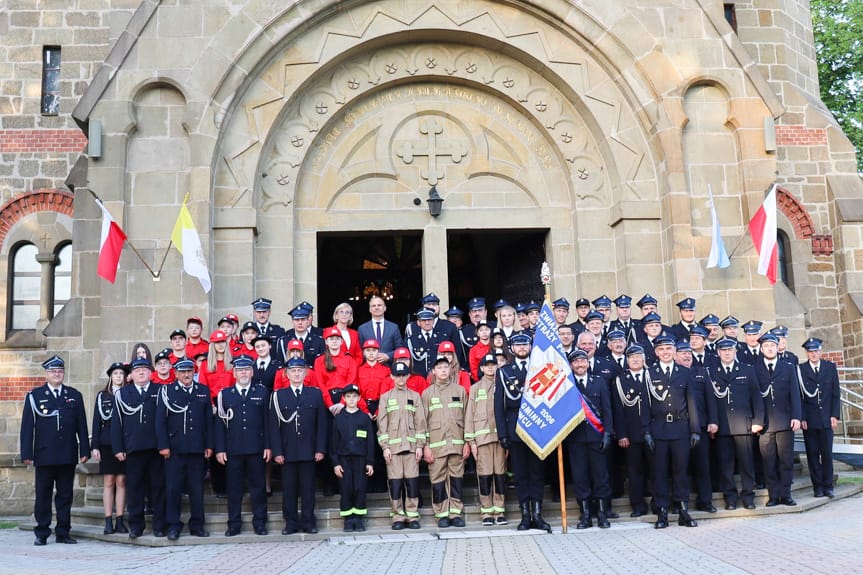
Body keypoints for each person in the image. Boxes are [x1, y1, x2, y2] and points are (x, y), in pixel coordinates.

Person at [20, 355, 89, 546]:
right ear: (46, 374)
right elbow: (27, 427)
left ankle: (63, 532)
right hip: (44, 454)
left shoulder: (74, 395)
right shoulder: (35, 396)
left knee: (65, 495)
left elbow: (81, 426)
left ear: (63, 373)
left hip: (67, 454)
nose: (57, 374)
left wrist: (85, 449)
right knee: (43, 495)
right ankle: (42, 532)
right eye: (53, 371)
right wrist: (26, 453)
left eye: (59, 371)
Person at [494, 333, 551, 533]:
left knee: (537, 473)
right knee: (521, 475)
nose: (521, 347)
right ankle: (525, 515)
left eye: (525, 344)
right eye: (517, 344)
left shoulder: (540, 370)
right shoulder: (504, 372)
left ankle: (538, 514)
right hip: (515, 429)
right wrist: (502, 434)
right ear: (511, 347)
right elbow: (499, 407)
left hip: (537, 429)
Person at [644, 335, 700, 529]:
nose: (666, 352)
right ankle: (662, 512)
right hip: (658, 430)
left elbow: (691, 402)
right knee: (659, 473)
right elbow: (645, 405)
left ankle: (683, 510)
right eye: (662, 349)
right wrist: (646, 432)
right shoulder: (649, 374)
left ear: (674, 351)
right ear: (656, 352)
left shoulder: (684, 372)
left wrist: (695, 430)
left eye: (669, 349)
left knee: (680, 472)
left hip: (680, 430)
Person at [156, 358, 213, 540]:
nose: (187, 375)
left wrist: (209, 445)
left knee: (197, 489)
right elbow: (160, 421)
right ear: (177, 373)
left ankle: (197, 525)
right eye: (183, 372)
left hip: (197, 449)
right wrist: (163, 445)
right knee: (173, 489)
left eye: (189, 371)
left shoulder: (202, 391)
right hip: (174, 449)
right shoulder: (167, 392)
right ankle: (173, 525)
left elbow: (208, 423)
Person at [215, 355, 271, 536]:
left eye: (247, 369)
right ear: (234, 373)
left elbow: (267, 422)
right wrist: (220, 448)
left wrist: (268, 446)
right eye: (240, 370)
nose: (244, 373)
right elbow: (220, 425)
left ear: (252, 372)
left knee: (258, 488)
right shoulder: (225, 395)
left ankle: (260, 522)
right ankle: (233, 524)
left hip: (256, 448)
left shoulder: (262, 392)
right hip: (233, 449)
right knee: (234, 489)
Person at [270, 357, 327, 534]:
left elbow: (321, 424)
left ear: (305, 373)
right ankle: (291, 523)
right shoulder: (278, 396)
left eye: (299, 370)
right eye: (293, 371)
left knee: (308, 489)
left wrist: (320, 448)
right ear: (286, 374)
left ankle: (309, 522)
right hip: (287, 451)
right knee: (289, 490)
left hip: (309, 451)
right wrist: (277, 451)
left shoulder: (315, 394)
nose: (296, 373)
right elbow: (274, 426)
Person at [112, 357, 166, 539]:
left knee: (158, 488)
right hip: (133, 448)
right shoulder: (122, 394)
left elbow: (166, 420)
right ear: (131, 374)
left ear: (151, 373)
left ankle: (159, 526)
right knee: (135, 489)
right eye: (137, 370)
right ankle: (136, 526)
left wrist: (165, 445)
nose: (141, 372)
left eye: (145, 369)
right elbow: (116, 424)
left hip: (156, 449)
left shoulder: (160, 391)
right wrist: (118, 448)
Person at [710, 337, 764, 510]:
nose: (727, 353)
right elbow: (710, 401)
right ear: (718, 352)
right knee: (726, 465)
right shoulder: (711, 371)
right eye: (723, 350)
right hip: (722, 427)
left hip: (744, 425)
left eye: (730, 350)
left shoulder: (747, 370)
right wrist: (713, 422)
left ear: (735, 352)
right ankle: (730, 498)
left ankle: (748, 497)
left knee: (746, 464)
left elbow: (757, 397)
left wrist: (758, 421)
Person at [567, 348, 614, 529]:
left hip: (597, 436)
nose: (580, 364)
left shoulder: (599, 381)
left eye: (583, 361)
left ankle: (602, 513)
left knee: (601, 476)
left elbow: (607, 409)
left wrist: (608, 433)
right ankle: (585, 514)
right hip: (576, 438)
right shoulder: (567, 384)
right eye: (576, 362)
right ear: (571, 365)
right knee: (581, 477)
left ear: (588, 363)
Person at [754, 333, 802, 507]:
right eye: (766, 346)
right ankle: (773, 495)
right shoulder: (755, 369)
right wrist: (756, 421)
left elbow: (795, 395)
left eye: (772, 346)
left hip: (785, 422)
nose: (769, 348)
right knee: (769, 461)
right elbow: (754, 397)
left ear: (778, 347)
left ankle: (786, 494)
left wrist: (796, 416)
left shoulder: (788, 368)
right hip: (765, 424)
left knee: (786, 460)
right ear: (761, 349)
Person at [377, 362, 426, 529]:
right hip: (394, 450)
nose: (400, 378)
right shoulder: (385, 398)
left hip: (412, 449)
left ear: (408, 376)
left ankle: (412, 515)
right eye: (397, 375)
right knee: (395, 483)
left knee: (412, 482)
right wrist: (385, 447)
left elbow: (421, 423)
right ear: (391, 376)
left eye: (403, 375)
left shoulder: (415, 396)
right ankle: (397, 516)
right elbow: (382, 425)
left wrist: (420, 445)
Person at [422, 355, 469, 528]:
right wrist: (425, 446)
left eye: (446, 367)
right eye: (439, 367)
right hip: (436, 446)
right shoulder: (427, 394)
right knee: (438, 480)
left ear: (451, 370)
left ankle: (455, 512)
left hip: (456, 444)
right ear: (433, 371)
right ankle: (441, 513)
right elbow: (422, 422)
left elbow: (467, 418)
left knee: (456, 478)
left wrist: (467, 443)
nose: (443, 370)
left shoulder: (460, 391)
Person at [465, 354, 507, 526]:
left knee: (500, 475)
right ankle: (486, 511)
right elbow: (469, 415)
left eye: (493, 365)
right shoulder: (475, 388)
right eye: (487, 365)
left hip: (499, 439)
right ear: (481, 368)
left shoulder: (503, 385)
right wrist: (471, 441)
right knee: (484, 475)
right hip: (482, 440)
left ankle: (499, 510)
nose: (490, 368)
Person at [611, 344, 651, 517]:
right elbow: (618, 410)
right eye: (632, 357)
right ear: (627, 361)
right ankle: (638, 505)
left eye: (638, 356)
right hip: (631, 434)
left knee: (656, 470)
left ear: (644, 359)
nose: (635, 360)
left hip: (653, 432)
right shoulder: (619, 380)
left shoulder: (652, 376)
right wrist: (621, 434)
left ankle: (658, 503)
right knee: (635, 472)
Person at [799, 337, 841, 498]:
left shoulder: (829, 367)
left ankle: (828, 486)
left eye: (816, 351)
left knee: (827, 454)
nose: (814, 354)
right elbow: (800, 396)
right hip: (809, 420)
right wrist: (802, 417)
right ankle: (817, 487)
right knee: (812, 454)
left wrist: (834, 415)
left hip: (826, 419)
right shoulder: (800, 369)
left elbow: (835, 393)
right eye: (810, 351)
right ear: (807, 353)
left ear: (820, 351)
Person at [331, 384, 375, 532]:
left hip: (361, 459)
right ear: (343, 398)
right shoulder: (338, 418)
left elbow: (370, 442)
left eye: (354, 396)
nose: (351, 399)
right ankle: (348, 519)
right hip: (344, 459)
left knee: (360, 487)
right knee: (346, 487)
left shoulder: (364, 417)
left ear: (359, 398)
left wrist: (370, 462)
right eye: (348, 396)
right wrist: (336, 463)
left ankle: (358, 517)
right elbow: (333, 442)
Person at [91, 362, 128, 535]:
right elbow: (97, 422)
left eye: (121, 373)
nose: (119, 376)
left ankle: (120, 519)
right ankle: (108, 519)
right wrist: (95, 446)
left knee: (121, 481)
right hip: (106, 443)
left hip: (124, 443)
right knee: (109, 481)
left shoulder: (128, 394)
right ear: (111, 376)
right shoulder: (102, 396)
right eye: (115, 373)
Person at [198, 329, 235, 498]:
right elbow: (203, 388)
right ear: (212, 344)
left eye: (223, 342)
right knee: (215, 446)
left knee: (229, 445)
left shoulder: (232, 363)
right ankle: (219, 486)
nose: (221, 345)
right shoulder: (206, 365)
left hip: (229, 409)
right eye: (217, 342)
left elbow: (235, 385)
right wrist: (212, 406)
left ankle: (230, 483)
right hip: (213, 409)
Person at [357, 295, 404, 363]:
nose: (376, 307)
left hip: (389, 369)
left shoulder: (394, 327)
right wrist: (370, 357)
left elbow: (400, 348)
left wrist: (388, 356)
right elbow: (359, 351)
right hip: (369, 369)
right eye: (373, 306)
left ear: (385, 308)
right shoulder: (362, 329)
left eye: (379, 305)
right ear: (370, 309)